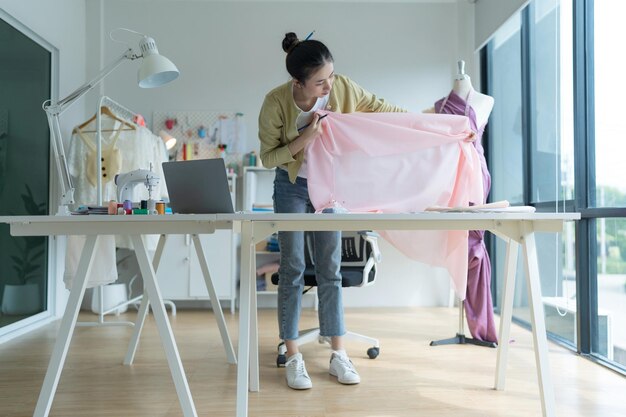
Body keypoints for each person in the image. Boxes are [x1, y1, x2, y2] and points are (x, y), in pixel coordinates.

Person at [257, 32, 406, 390]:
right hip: (291, 186)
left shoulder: (342, 89)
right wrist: (304, 139)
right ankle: (293, 355)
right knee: (292, 267)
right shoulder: (276, 102)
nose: (329, 86)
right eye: (321, 81)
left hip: (330, 188)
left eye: (332, 76)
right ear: (298, 82)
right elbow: (268, 157)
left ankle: (338, 354)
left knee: (330, 268)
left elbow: (384, 109)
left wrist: (432, 124)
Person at [434, 60, 497, 344]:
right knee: (456, 239)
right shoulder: (439, 105)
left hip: (474, 175)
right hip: (450, 177)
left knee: (472, 241)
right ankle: (468, 313)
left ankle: (478, 320)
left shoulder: (485, 101)